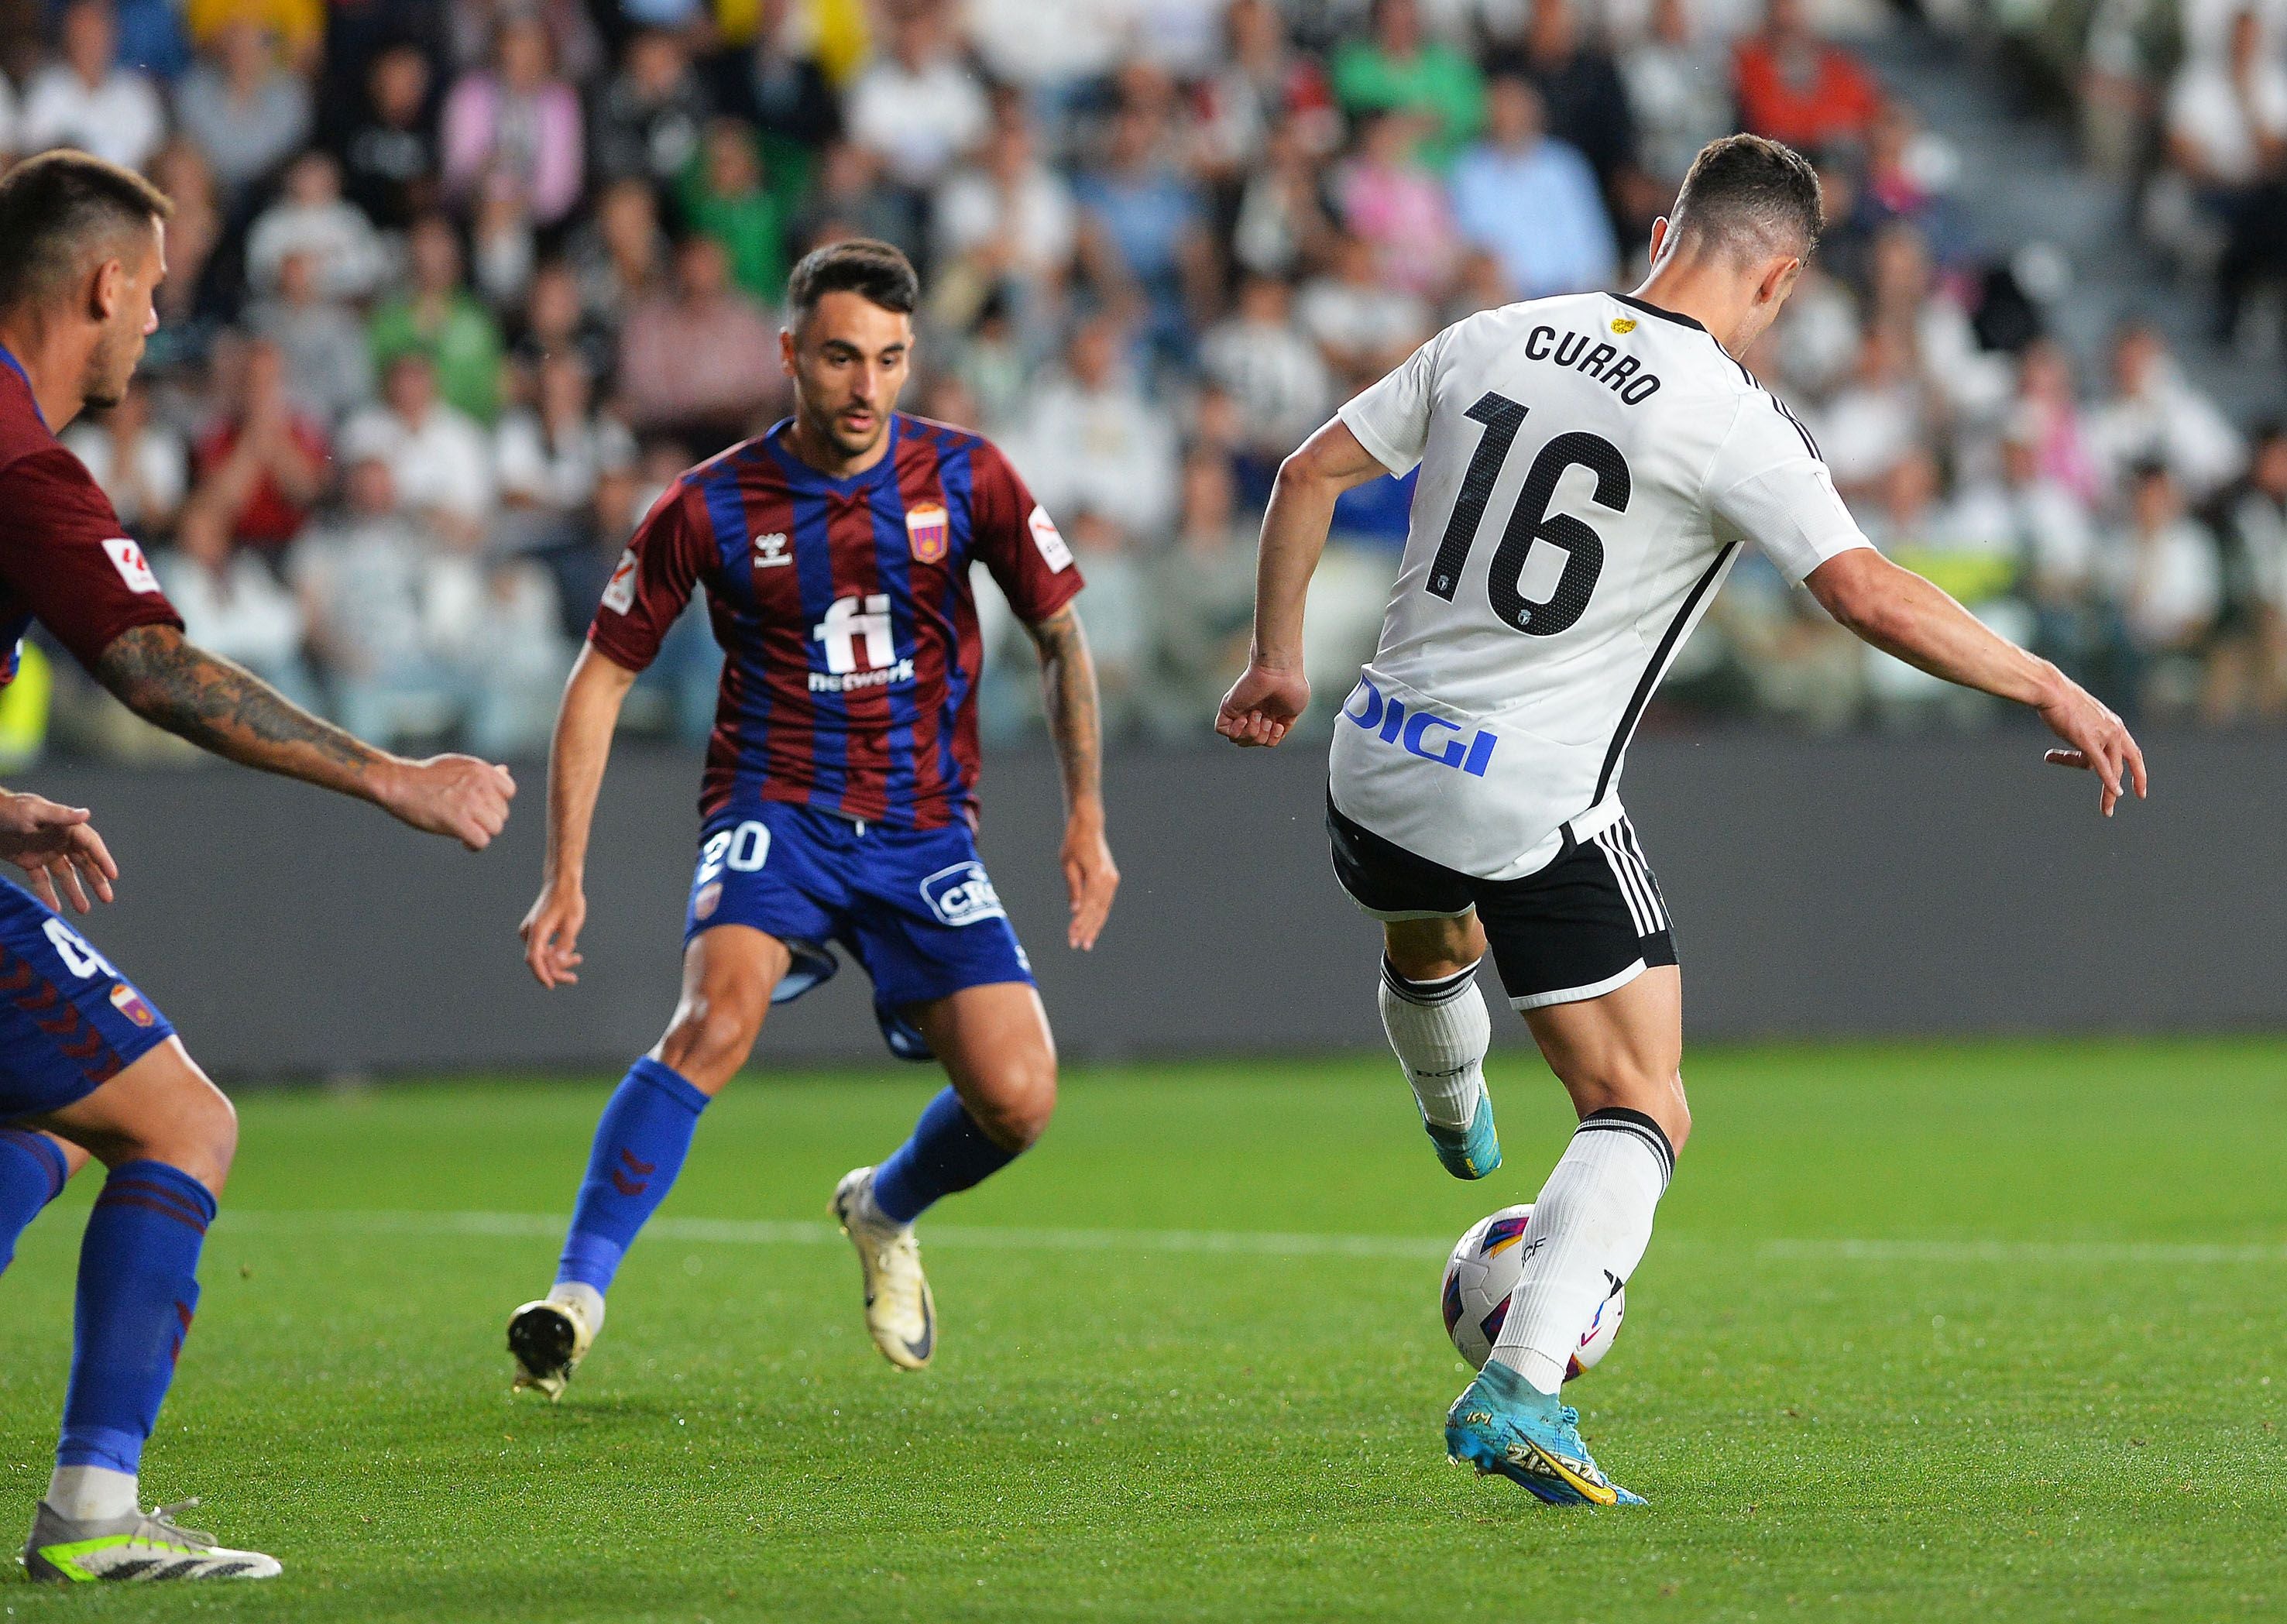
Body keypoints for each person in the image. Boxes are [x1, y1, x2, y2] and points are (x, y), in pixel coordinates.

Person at [1214, 134, 2144, 1507]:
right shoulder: (1727, 412)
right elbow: (1865, 591)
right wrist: (2043, 678)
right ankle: (1523, 1385)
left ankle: (1449, 1104)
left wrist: (1278, 657)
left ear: (1663, 228)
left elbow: (1302, 474)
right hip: (1522, 790)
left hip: (1369, 760)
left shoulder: (1497, 330)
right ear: (1777, 277)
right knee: (1641, 1099)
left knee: (1427, 923)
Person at [0, 150, 513, 1581]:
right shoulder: (22, 461)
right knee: (184, 1125)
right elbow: (157, 670)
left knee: (36, 1128)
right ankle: (94, 1514)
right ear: (101, 285)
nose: (156, 322)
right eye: (152, 294)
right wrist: (387, 774)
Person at [504, 239, 1118, 1399]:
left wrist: (1086, 817)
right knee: (715, 1020)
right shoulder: (710, 502)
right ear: (790, 353)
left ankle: (881, 1206)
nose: (864, 387)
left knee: (1020, 1097)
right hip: (774, 807)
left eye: (888, 360)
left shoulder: (969, 475)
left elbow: (1060, 635)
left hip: (924, 828)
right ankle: (573, 1298)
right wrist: (563, 871)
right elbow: (599, 679)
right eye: (839, 357)